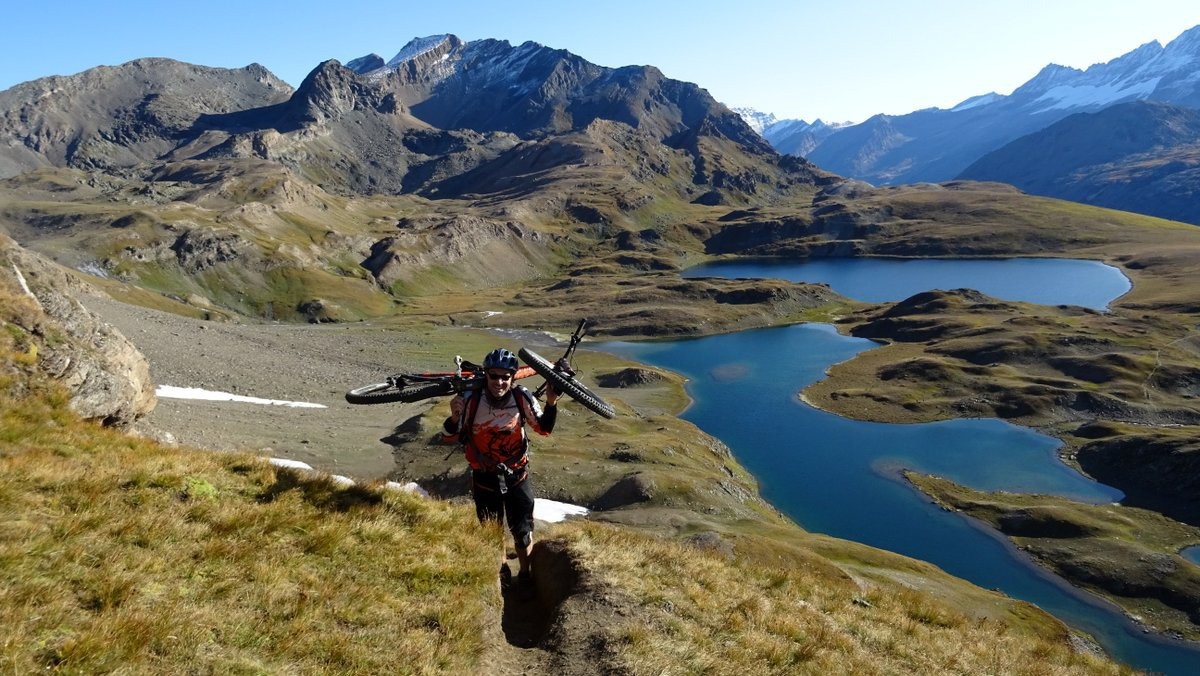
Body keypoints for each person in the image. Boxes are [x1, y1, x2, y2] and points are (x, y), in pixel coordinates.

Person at [443, 347, 558, 596]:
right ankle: (502, 571)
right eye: (494, 376)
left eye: (505, 376)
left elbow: (544, 428)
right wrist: (454, 417)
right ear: (486, 375)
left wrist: (551, 402)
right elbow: (449, 435)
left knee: (523, 531)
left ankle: (525, 573)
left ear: (513, 377)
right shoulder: (472, 401)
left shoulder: (522, 398)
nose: (499, 382)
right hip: (484, 476)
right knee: (491, 530)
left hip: (517, 474)